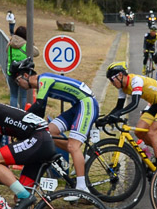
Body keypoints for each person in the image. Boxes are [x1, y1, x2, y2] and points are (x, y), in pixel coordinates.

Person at [11, 58, 98, 191]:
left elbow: (39, 107)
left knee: (72, 145)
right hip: (77, 106)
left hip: (86, 104)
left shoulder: (44, 80)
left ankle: (81, 188)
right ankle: (78, 155)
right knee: (48, 132)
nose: (18, 85)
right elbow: (39, 111)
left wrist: (20, 121)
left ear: (26, 75)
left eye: (18, 81)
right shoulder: (41, 85)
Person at [6, 26, 37, 107]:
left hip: (11, 72)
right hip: (23, 74)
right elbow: (36, 52)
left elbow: (6, 51)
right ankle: (22, 113)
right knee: (23, 96)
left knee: (13, 95)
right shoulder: (26, 45)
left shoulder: (10, 44)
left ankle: (13, 113)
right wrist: (31, 43)